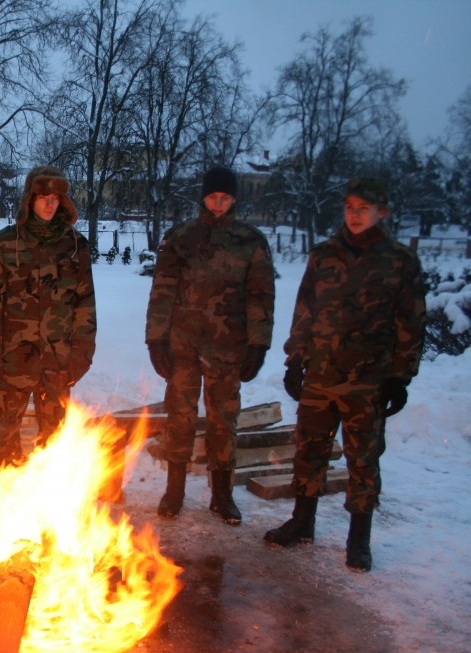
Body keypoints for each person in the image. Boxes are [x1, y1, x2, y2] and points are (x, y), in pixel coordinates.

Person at [265, 178, 426, 573]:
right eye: (350, 207)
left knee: (363, 458)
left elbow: (410, 323)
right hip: (321, 374)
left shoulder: (399, 261)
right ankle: (302, 522)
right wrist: (295, 360)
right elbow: (305, 311)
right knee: (309, 449)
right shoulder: (324, 256)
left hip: (368, 380)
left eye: (364, 208)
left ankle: (358, 539)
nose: (355, 214)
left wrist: (400, 377)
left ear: (381, 213)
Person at [145, 165, 275, 524]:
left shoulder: (249, 241)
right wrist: (155, 339)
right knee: (179, 417)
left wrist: (259, 345)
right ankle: (174, 490)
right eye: (213, 196)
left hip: (228, 347)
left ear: (233, 199)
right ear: (203, 197)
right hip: (182, 345)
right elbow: (162, 293)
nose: (218, 203)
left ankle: (222, 494)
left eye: (225, 197)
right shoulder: (180, 238)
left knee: (223, 419)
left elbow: (261, 296)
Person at [0, 165, 97, 467]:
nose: (50, 204)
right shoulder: (5, 244)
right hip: (13, 358)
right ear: (30, 199)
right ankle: (3, 489)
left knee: (54, 443)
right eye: (43, 197)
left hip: (58, 359)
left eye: (56, 197)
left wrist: (82, 353)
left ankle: (48, 492)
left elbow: (85, 303)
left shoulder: (75, 246)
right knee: (6, 440)